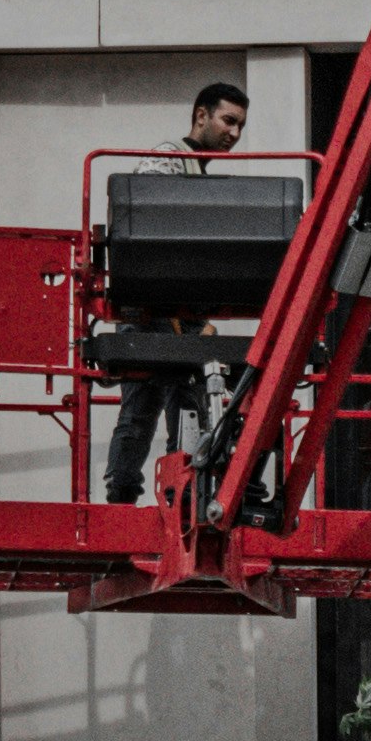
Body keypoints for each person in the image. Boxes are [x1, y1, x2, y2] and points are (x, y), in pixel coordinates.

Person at [104, 78, 252, 503]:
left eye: (240, 126)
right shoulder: (166, 161)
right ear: (200, 116)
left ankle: (167, 496)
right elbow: (151, 236)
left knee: (172, 407)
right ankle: (152, 498)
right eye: (228, 121)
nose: (234, 134)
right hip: (152, 316)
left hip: (174, 318)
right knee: (150, 410)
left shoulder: (193, 171)